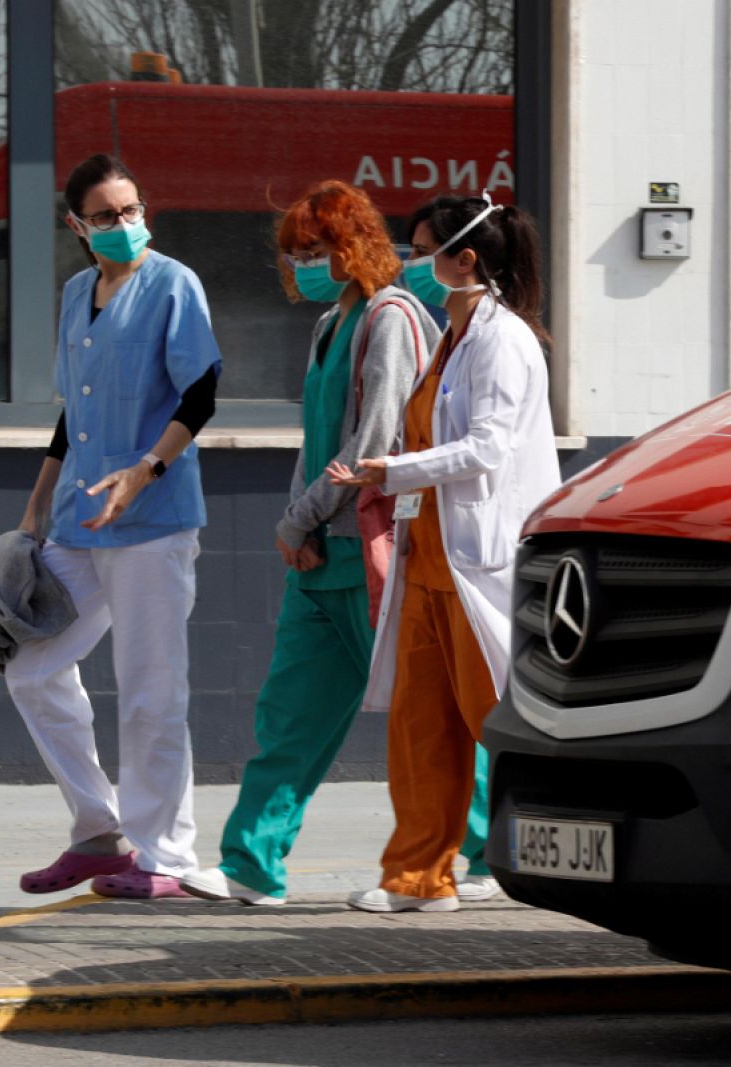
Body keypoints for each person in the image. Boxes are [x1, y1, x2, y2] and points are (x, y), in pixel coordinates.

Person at [179, 181, 436, 906]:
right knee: (289, 717)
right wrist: (299, 521)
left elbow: (375, 442)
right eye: (296, 254)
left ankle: (462, 859)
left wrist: (305, 518)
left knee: (421, 717)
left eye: (317, 250)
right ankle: (250, 864)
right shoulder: (332, 325)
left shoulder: (391, 318)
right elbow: (316, 441)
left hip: (371, 551)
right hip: (324, 554)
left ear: (356, 246)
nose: (304, 265)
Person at [328, 194, 559, 912]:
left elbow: (488, 447)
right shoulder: (447, 339)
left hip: (478, 561)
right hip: (428, 558)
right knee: (419, 722)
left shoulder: (502, 340)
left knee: (498, 718)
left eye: (423, 247)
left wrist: (393, 470)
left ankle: (560, 860)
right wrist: (394, 474)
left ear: (465, 260)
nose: (412, 261)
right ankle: (419, 877)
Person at [6, 154, 221, 899]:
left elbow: (202, 390)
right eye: (106, 215)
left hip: (153, 519)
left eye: (131, 209)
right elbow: (75, 412)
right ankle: (99, 829)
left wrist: (145, 471)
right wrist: (37, 506)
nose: (125, 224)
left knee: (150, 687)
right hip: (76, 519)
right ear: (77, 225)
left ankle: (167, 856)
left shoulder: (174, 283)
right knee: (29, 667)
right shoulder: (75, 293)